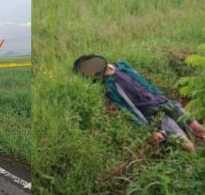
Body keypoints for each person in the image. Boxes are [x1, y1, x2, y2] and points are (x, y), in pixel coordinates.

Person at [73, 54, 205, 152]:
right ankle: (191, 164)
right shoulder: (109, 87)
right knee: (188, 146)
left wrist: (162, 96)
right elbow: (126, 110)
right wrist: (148, 131)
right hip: (154, 115)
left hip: (165, 102)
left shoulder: (123, 65)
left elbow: (145, 84)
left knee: (198, 129)